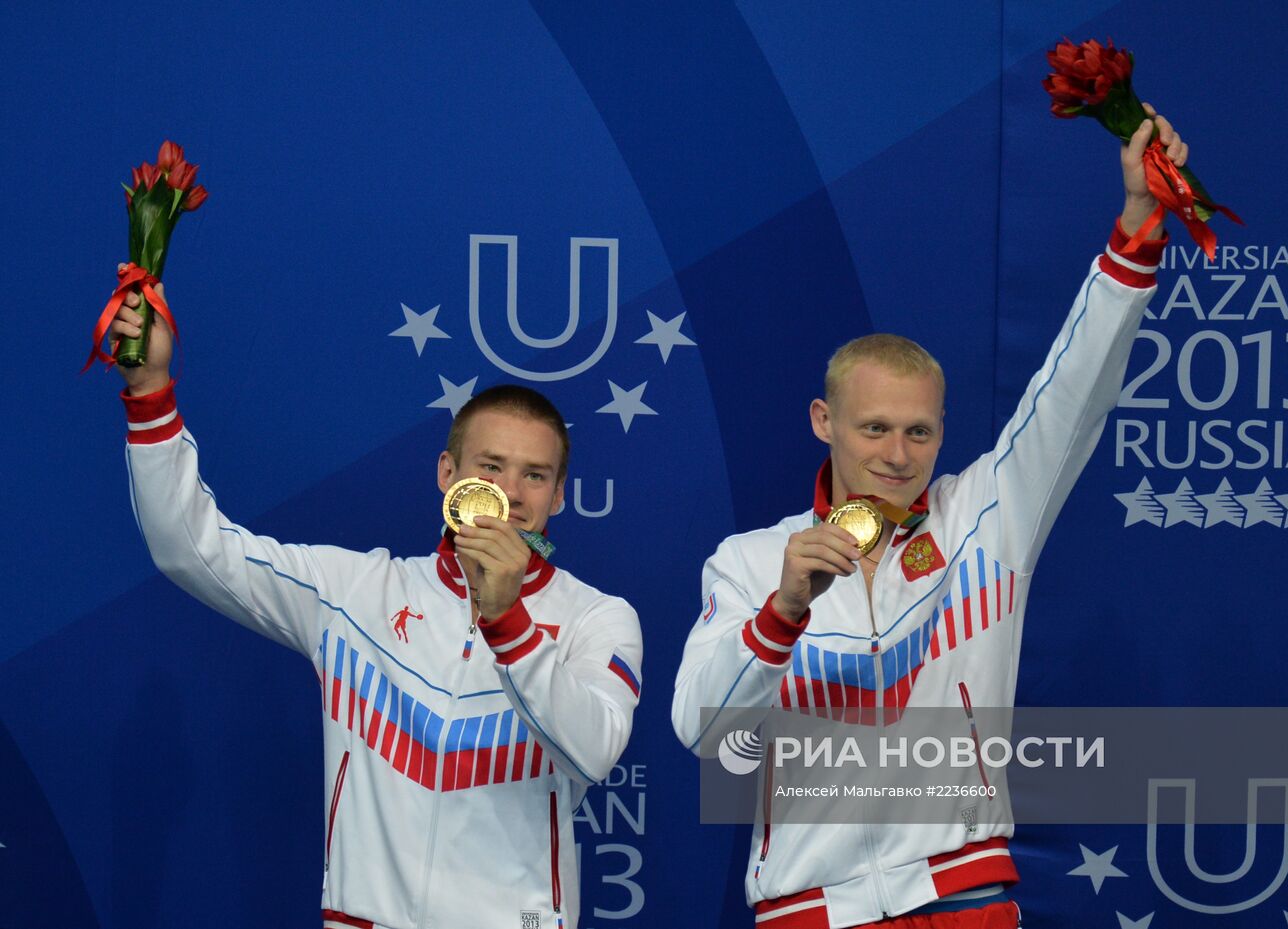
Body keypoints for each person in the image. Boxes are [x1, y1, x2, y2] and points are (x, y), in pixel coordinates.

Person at [672, 108, 1188, 929]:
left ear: (942, 433)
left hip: (962, 897)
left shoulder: (986, 513)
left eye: (919, 430)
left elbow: (1074, 393)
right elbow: (703, 735)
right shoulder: (750, 559)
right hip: (811, 911)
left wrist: (1135, 229)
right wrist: (783, 612)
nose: (898, 453)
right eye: (874, 427)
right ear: (823, 420)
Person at [107, 293, 643, 929]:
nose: (509, 494)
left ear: (558, 496)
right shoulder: (359, 593)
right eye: (490, 466)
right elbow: (190, 548)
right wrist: (150, 389)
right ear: (449, 474)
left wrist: (508, 624)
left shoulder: (598, 619)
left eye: (534, 476)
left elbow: (592, 753)